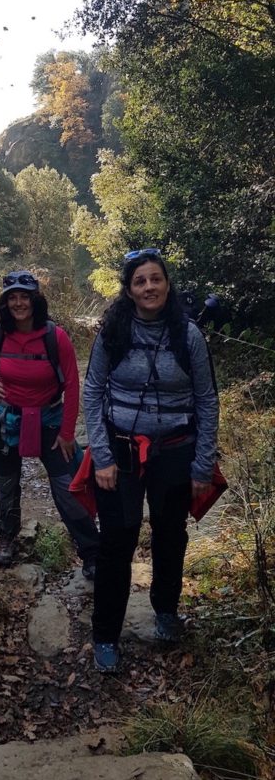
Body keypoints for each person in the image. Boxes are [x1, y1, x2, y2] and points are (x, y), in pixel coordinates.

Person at [83, 248, 219, 673]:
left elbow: (206, 400)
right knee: (116, 541)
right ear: (128, 289)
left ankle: (165, 611)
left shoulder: (188, 335)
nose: (149, 287)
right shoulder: (113, 332)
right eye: (140, 281)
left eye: (155, 279)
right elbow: (92, 392)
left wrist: (202, 464)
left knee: (169, 534)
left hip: (175, 449)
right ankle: (105, 635)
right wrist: (101, 455)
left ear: (166, 283)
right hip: (121, 450)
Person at [0, 270, 99, 574]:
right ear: (5, 302)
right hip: (7, 419)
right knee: (7, 483)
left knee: (66, 485)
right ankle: (6, 540)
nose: (19, 303)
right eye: (13, 297)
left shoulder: (54, 336)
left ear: (35, 300)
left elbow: (73, 385)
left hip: (49, 419)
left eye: (25, 296)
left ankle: (90, 551)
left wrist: (67, 433)